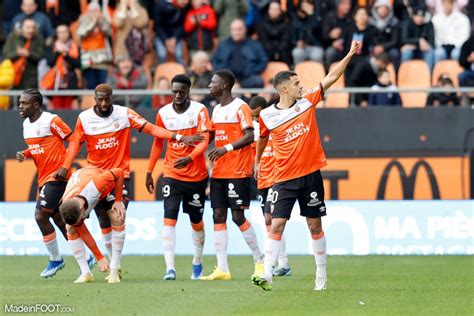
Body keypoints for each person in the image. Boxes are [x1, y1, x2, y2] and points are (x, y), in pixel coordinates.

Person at [54, 84, 204, 277]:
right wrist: (65, 166)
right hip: (95, 176)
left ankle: (114, 268)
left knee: (117, 216)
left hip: (119, 176)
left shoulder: (124, 114)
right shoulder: (84, 118)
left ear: (113, 97)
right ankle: (92, 270)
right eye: (100, 99)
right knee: (101, 225)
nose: (104, 103)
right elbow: (74, 144)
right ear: (94, 98)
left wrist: (178, 137)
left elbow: (151, 129)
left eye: (107, 99)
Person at [252, 40, 361, 291]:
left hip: (310, 175)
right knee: (277, 223)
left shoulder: (308, 101)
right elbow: (263, 138)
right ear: (284, 88)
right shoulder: (267, 115)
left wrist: (350, 54)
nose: (301, 86)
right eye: (296, 84)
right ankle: (267, 273)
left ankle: (320, 276)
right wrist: (258, 161)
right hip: (284, 178)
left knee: (314, 225)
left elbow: (332, 76)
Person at [146, 74, 210, 281]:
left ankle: (197, 261)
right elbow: (158, 143)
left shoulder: (200, 110)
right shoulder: (163, 113)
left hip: (196, 176)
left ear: (188, 91)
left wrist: (190, 158)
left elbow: (204, 140)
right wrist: (149, 170)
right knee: (169, 219)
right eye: (174, 91)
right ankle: (170, 269)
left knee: (196, 221)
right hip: (172, 173)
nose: (178, 95)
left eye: (182, 91)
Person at [201, 69, 263, 280]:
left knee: (238, 216)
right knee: (218, 215)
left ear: (225, 85)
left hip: (237, 170)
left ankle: (259, 261)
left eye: (213, 82)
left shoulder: (241, 107)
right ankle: (222, 268)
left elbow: (250, 135)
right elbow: (209, 137)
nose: (210, 85)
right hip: (218, 172)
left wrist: (226, 148)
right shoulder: (216, 110)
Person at [16, 89, 72, 278]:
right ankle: (87, 255)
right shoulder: (26, 124)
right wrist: (26, 153)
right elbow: (37, 146)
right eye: (20, 103)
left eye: (24, 103)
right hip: (44, 178)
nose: (20, 107)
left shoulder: (52, 120)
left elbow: (73, 141)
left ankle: (56, 259)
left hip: (57, 178)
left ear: (37, 105)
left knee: (40, 215)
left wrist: (64, 167)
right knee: (58, 219)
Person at [249, 96, 291, 277]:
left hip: (276, 178)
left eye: (258, 116)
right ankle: (280, 263)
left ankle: (279, 262)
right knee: (268, 220)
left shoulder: (275, 124)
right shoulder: (253, 130)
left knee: (272, 219)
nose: (256, 120)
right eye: (253, 117)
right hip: (262, 179)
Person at [60, 166, 126, 283]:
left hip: (105, 189)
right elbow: (83, 232)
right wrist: (99, 257)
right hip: (85, 193)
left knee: (118, 218)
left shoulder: (96, 183)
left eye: (79, 220)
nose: (79, 223)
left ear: (82, 210)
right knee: (70, 228)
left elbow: (119, 172)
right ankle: (86, 273)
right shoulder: (67, 203)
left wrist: (119, 200)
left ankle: (114, 269)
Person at [212, 19, 268, 88]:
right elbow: (214, 61)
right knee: (214, 81)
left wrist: (253, 70)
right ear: (230, 31)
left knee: (257, 81)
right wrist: (223, 71)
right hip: (227, 79)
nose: (236, 32)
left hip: (248, 78)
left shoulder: (254, 45)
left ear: (245, 30)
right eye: (234, 30)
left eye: (239, 29)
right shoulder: (223, 45)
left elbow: (263, 60)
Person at [43, 24, 81, 110]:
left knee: (70, 108)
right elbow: (49, 62)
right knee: (57, 108)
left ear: (69, 33)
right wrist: (58, 52)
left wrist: (66, 55)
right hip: (55, 81)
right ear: (56, 34)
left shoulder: (74, 46)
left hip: (70, 81)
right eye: (60, 32)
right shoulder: (51, 47)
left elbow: (77, 64)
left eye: (65, 32)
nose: (63, 35)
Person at [77, 2, 113, 89]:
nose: (94, 13)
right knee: (91, 85)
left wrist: (100, 22)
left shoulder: (103, 20)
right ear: (88, 12)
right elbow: (81, 33)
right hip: (88, 59)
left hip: (102, 59)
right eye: (91, 11)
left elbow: (109, 32)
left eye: (96, 11)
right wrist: (93, 23)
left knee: (103, 86)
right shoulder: (83, 20)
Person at [2, 18, 44, 89]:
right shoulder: (13, 37)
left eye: (33, 27)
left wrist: (28, 54)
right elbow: (6, 55)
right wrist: (17, 53)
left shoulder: (38, 38)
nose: (31, 30)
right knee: (14, 98)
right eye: (28, 27)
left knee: (29, 98)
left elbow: (41, 56)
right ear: (22, 28)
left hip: (31, 76)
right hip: (13, 74)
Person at [112, 0, 149, 66]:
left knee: (138, 73)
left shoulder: (142, 10)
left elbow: (140, 23)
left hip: (138, 50)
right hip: (122, 50)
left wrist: (133, 9)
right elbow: (117, 23)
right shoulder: (118, 11)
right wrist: (123, 8)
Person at [256, 1, 292, 66]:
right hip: (267, 50)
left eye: (276, 9)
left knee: (285, 53)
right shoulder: (261, 24)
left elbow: (285, 40)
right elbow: (263, 40)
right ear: (268, 10)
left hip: (282, 51)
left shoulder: (286, 24)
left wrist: (278, 51)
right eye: (272, 9)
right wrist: (274, 52)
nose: (274, 11)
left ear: (280, 11)